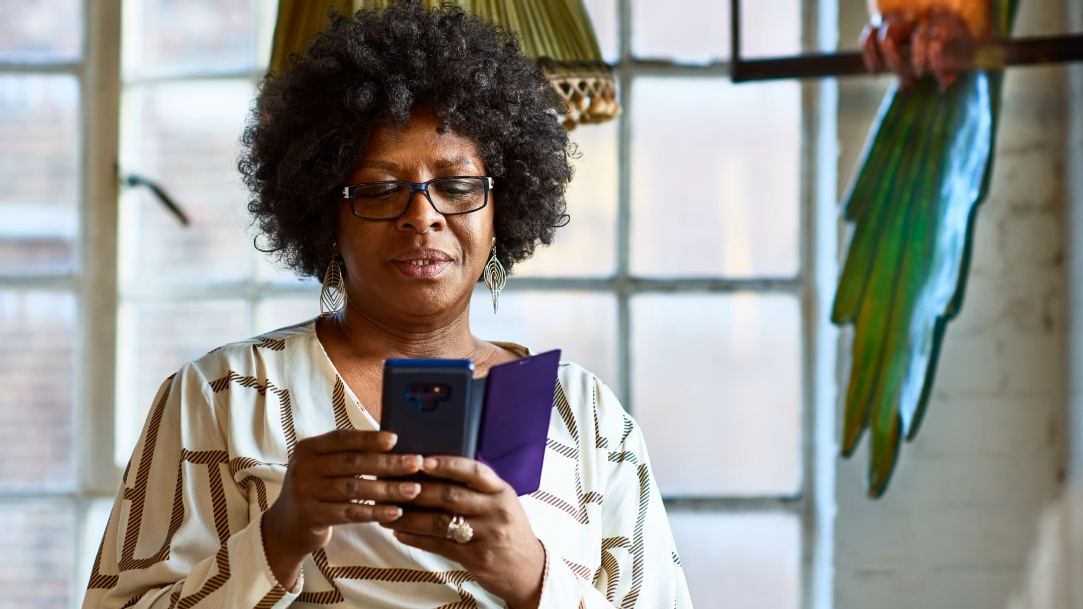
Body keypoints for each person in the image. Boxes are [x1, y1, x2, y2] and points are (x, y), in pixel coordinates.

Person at [83, 3, 692, 608]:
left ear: (501, 210)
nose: (422, 216)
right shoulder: (223, 395)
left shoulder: (586, 416)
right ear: (326, 217)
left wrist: (529, 575)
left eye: (457, 186)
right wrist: (278, 538)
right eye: (378, 190)